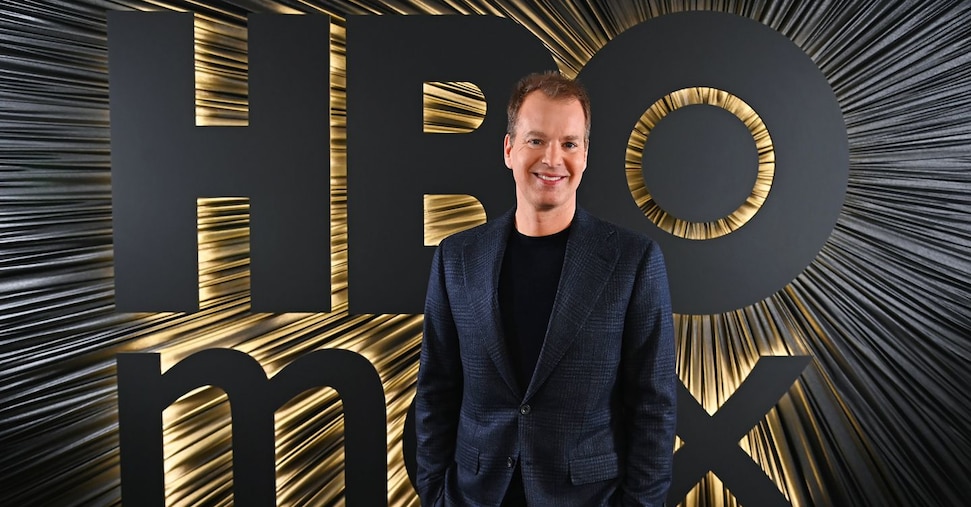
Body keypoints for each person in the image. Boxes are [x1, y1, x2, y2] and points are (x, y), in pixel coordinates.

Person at [415, 71, 676, 506]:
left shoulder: (634, 261)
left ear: (585, 154)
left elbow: (655, 408)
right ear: (509, 149)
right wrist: (434, 494)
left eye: (569, 144)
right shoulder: (456, 258)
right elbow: (435, 391)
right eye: (536, 140)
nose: (553, 159)